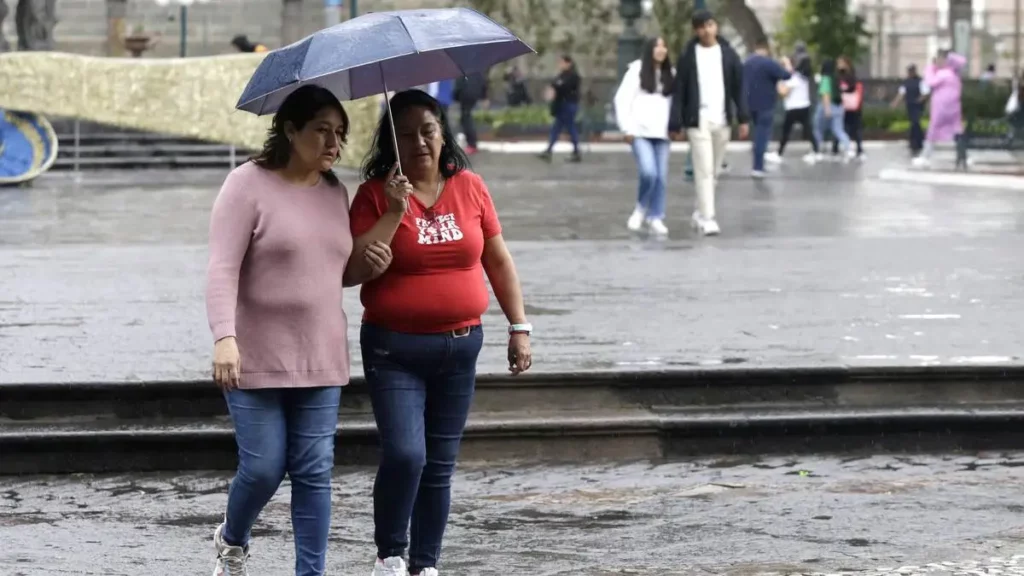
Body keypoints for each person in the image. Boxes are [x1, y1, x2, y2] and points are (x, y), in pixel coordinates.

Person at [205, 84, 393, 576]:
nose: (334, 144)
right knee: (264, 468)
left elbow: (338, 272)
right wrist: (224, 336)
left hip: (321, 353)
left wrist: (372, 255)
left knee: (313, 473)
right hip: (254, 353)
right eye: (322, 132)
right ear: (290, 130)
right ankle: (232, 538)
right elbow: (221, 268)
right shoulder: (245, 184)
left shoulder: (336, 192)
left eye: (340, 134)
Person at [349, 89, 533, 576]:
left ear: (443, 133)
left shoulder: (470, 186)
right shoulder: (373, 195)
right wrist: (392, 212)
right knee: (407, 454)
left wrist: (519, 326)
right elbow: (348, 270)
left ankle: (425, 563)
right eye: (405, 134)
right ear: (391, 143)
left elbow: (497, 258)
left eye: (428, 130)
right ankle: (390, 553)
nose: (419, 142)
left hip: (460, 346)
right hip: (394, 348)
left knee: (439, 465)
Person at [670, 9, 748, 237]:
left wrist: (743, 119)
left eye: (710, 25)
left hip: (722, 119)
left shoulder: (729, 55)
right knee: (703, 169)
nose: (706, 30)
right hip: (698, 119)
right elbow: (680, 90)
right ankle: (708, 217)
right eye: (701, 26)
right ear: (696, 30)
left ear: (716, 27)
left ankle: (699, 210)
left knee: (713, 171)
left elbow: (738, 88)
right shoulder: (688, 56)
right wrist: (676, 123)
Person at [614, 36, 675, 236]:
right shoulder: (637, 70)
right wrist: (627, 128)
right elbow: (622, 99)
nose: (661, 50)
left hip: (663, 133)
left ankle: (656, 216)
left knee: (661, 177)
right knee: (649, 172)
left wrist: (676, 126)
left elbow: (676, 103)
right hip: (639, 132)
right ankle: (640, 209)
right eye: (657, 46)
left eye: (664, 46)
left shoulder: (671, 73)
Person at [742, 38, 791, 177]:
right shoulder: (768, 63)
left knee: (755, 134)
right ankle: (758, 167)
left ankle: (757, 161)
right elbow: (786, 75)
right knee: (762, 135)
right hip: (766, 104)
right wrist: (786, 64)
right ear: (766, 49)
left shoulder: (746, 63)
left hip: (748, 103)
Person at [914, 50, 966, 168]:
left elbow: (930, 82)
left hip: (942, 107)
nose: (936, 62)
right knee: (957, 130)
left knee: (932, 131)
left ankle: (925, 156)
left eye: (938, 59)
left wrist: (929, 69)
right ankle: (962, 155)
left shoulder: (944, 74)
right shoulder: (954, 75)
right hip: (954, 107)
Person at [777, 44, 818, 164]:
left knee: (786, 131)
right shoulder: (802, 78)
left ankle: (779, 153)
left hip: (794, 108)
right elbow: (791, 72)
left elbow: (783, 92)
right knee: (808, 130)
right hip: (804, 106)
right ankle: (816, 150)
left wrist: (778, 82)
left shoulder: (795, 79)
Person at [539, 54, 582, 163]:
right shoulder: (561, 75)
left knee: (569, 128)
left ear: (569, 63)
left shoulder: (573, 76)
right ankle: (549, 151)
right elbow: (554, 84)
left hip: (569, 104)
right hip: (561, 105)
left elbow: (563, 86)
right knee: (557, 128)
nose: (560, 65)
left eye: (562, 62)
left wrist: (555, 87)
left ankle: (575, 151)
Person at [812, 58, 851, 162]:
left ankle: (817, 149)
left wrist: (827, 108)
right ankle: (848, 148)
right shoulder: (836, 77)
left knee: (818, 128)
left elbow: (825, 94)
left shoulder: (825, 78)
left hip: (827, 106)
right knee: (838, 129)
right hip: (839, 106)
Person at [891, 64, 930, 158]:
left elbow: (925, 93)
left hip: (918, 106)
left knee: (915, 122)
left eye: (911, 71)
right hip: (910, 105)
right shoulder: (906, 82)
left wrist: (920, 100)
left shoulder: (921, 81)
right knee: (913, 122)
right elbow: (901, 93)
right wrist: (895, 103)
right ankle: (915, 141)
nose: (910, 73)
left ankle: (917, 142)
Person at [832, 56, 865, 160]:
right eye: (838, 63)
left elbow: (853, 88)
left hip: (853, 106)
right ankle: (835, 147)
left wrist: (844, 90)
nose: (839, 66)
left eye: (841, 63)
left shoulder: (851, 76)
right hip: (843, 105)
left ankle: (859, 148)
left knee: (856, 127)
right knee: (839, 127)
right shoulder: (837, 76)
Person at [453, 72, 488, 155]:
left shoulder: (462, 70)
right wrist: (484, 96)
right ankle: (471, 143)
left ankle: (472, 144)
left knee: (466, 119)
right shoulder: (476, 70)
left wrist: (455, 97)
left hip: (466, 94)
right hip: (474, 94)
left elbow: (459, 84)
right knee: (466, 117)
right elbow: (483, 82)